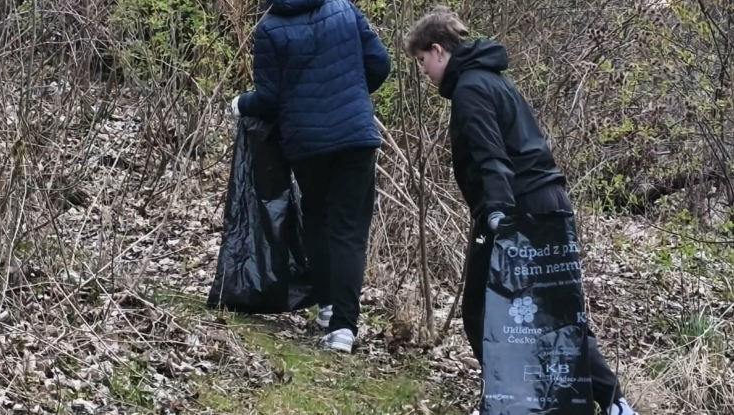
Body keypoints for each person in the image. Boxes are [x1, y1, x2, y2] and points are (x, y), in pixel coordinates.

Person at [404, 6, 638, 415]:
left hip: (517, 210)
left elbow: (491, 154)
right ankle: (616, 403)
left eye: (422, 60)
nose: (424, 71)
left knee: (482, 311)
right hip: (546, 204)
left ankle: (507, 402)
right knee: (556, 313)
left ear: (438, 50)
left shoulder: (470, 89)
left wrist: (497, 213)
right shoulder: (493, 79)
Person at [230, 0, 391, 353]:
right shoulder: (343, 8)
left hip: (307, 143)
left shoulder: (270, 27)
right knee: (349, 231)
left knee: (316, 217)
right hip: (355, 137)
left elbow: (269, 98)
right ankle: (344, 328)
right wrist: (351, 94)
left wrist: (241, 104)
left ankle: (328, 305)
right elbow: (380, 64)